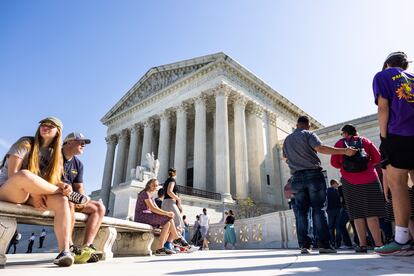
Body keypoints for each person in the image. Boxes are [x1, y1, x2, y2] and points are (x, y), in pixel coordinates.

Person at [0, 117, 88, 267]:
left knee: (62, 201)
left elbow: (50, 179)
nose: (45, 127)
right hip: (8, 189)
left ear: (58, 132)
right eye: (43, 124)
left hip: (31, 193)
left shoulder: (55, 155)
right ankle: (62, 192)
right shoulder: (26, 143)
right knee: (25, 174)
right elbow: (13, 175)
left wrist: (61, 184)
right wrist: (39, 192)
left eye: (51, 126)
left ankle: (64, 252)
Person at [282, 115, 357, 254]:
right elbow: (320, 148)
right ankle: (324, 245)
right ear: (308, 125)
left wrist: (296, 163)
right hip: (313, 175)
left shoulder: (287, 140)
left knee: (302, 212)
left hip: (296, 177)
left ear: (297, 125)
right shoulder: (309, 134)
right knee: (319, 209)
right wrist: (344, 151)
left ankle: (304, 245)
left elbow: (285, 158)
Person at [372, 51, 414, 255]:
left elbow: (383, 108)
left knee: (398, 185)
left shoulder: (383, 76)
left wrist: (384, 137)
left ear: (387, 63)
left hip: (398, 135)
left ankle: (401, 240)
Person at [331, 124, 385, 253]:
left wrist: (345, 167)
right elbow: (377, 158)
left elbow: (334, 163)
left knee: (357, 214)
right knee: (372, 213)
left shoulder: (339, 143)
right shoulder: (365, 141)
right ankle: (378, 244)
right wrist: (368, 165)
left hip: (350, 182)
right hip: (370, 179)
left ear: (344, 133)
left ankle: (362, 245)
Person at [62, 132, 106, 263]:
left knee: (99, 207)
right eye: (80, 142)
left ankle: (87, 246)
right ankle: (69, 247)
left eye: (84, 143)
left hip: (71, 196)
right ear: (69, 142)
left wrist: (83, 200)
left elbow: (79, 186)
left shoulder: (78, 164)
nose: (83, 145)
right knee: (68, 203)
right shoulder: (54, 156)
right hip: (55, 193)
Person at [134, 178, 187, 255]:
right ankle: (176, 238)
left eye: (156, 186)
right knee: (168, 218)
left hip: (147, 216)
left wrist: (167, 213)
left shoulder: (151, 196)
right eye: (154, 185)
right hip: (142, 216)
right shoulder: (144, 193)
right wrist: (167, 213)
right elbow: (153, 208)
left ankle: (161, 248)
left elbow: (157, 208)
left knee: (168, 222)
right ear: (149, 184)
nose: (155, 187)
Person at [162, 168, 185, 235]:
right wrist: (178, 199)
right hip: (170, 202)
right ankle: (170, 242)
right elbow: (169, 191)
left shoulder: (166, 181)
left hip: (165, 202)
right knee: (179, 224)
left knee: (168, 223)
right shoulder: (172, 180)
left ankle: (167, 242)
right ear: (175, 173)